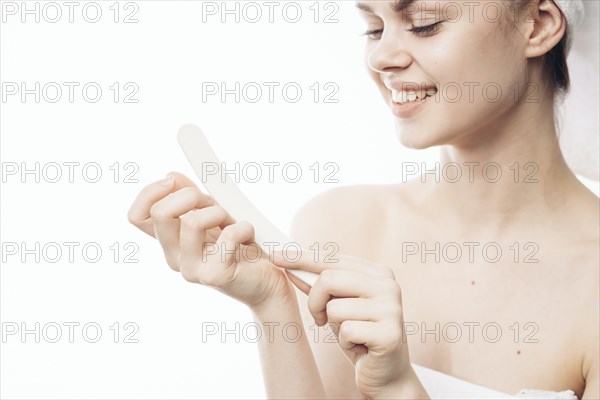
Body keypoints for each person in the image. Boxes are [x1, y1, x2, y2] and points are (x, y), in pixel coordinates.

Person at [128, 0, 599, 398]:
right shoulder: (339, 228)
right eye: (373, 28)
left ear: (537, 25)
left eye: (424, 24)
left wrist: (399, 388)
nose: (381, 57)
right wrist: (273, 303)